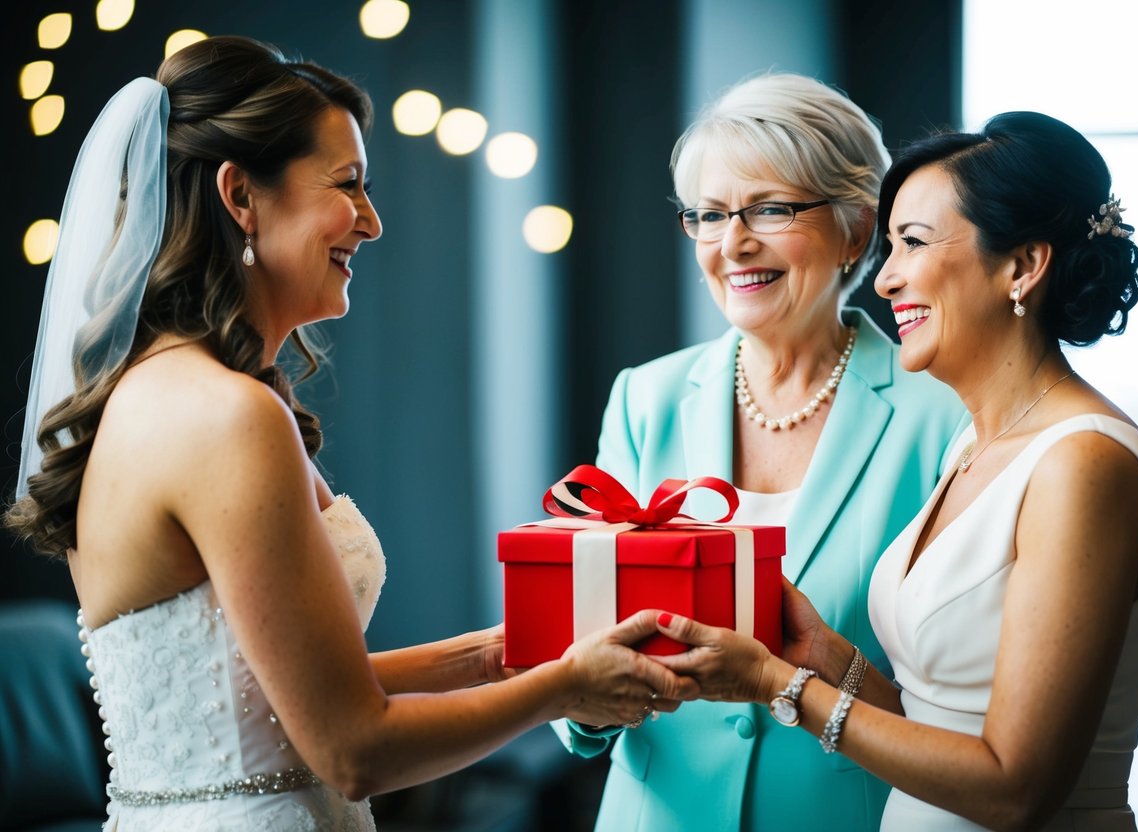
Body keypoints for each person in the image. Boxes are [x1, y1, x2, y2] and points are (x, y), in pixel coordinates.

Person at [4, 36, 695, 831]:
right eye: (348, 185)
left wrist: (503, 653)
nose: (370, 222)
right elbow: (353, 750)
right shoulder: (229, 416)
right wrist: (565, 688)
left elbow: (265, 695)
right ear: (240, 196)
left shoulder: (144, 394)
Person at [652, 110, 1138, 831]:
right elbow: (936, 726)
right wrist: (821, 655)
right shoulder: (978, 446)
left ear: (1022, 266)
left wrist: (776, 683)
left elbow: (1015, 790)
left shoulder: (1082, 463)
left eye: (913, 242)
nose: (886, 279)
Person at [552, 73, 968, 830]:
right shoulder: (644, 397)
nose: (732, 243)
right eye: (709, 215)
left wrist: (808, 672)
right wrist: (581, 699)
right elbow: (579, 642)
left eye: (770, 209)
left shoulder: (944, 417)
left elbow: (957, 723)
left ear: (855, 229)